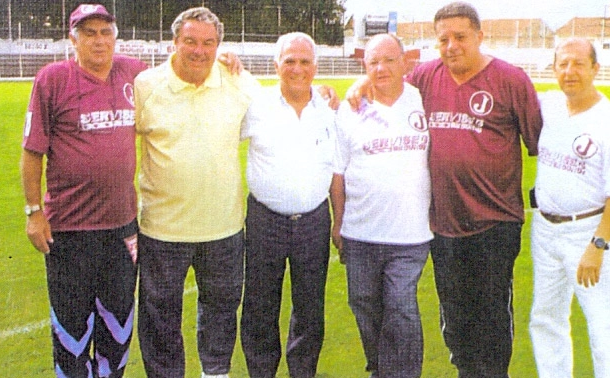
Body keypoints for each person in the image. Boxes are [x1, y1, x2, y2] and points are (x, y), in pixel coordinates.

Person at [346, 2, 543, 376]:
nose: (451, 46)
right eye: (443, 39)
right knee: (454, 317)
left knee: (491, 317)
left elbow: (539, 144)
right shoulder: (425, 77)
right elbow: (387, 76)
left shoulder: (511, 80)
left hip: (494, 222)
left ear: (480, 37)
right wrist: (362, 82)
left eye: (460, 37)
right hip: (442, 224)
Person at [19, 4, 146, 377]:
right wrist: (33, 212)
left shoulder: (134, 72)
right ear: (72, 38)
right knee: (72, 332)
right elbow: (31, 153)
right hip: (69, 232)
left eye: (105, 32)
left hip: (122, 229)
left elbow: (182, 71)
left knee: (118, 329)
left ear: (115, 36)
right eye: (88, 32)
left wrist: (228, 60)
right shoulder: (52, 79)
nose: (98, 40)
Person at [134, 7, 258, 378]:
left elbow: (284, 103)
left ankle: (215, 372)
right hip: (162, 228)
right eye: (190, 41)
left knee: (221, 309)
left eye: (208, 43)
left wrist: (329, 94)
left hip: (224, 228)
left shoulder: (239, 82)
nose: (199, 50)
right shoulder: (146, 85)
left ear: (219, 45)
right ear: (175, 42)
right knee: (159, 315)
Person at [528, 38, 610, 378]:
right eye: (562, 64)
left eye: (578, 64)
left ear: (595, 69)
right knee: (546, 318)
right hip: (545, 230)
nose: (569, 71)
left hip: (588, 235)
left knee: (604, 324)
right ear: (554, 69)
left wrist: (598, 245)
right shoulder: (549, 106)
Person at [330, 34, 432, 378]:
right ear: (364, 66)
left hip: (411, 234)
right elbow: (338, 172)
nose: (381, 68)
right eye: (373, 62)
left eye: (389, 60)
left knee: (401, 307)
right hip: (360, 234)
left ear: (405, 62)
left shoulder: (424, 99)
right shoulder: (351, 109)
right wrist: (338, 222)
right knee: (363, 305)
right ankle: (380, 368)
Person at [239, 32, 334, 378]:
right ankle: (261, 371)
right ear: (276, 64)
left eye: (304, 61)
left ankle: (302, 372)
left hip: (314, 220)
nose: (297, 68)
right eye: (289, 61)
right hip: (266, 221)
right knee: (260, 305)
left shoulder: (329, 109)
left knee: (310, 307)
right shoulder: (256, 106)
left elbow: (337, 167)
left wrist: (338, 222)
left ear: (315, 66)